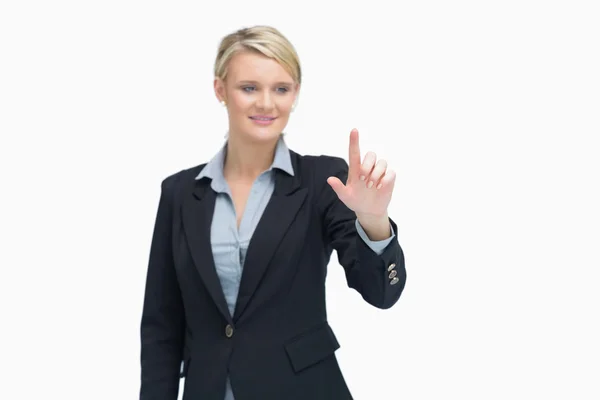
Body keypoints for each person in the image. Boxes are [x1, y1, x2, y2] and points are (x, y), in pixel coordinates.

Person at [139, 25, 406, 400]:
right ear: (220, 90)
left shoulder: (323, 183)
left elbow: (382, 293)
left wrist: (374, 221)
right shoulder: (180, 193)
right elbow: (161, 327)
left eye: (281, 89)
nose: (266, 103)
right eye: (249, 88)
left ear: (295, 94)